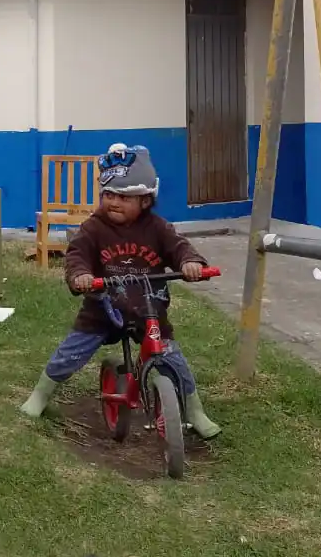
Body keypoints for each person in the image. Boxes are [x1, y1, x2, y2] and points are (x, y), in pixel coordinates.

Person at [20, 143, 222, 440]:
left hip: (148, 310)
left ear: (145, 200)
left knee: (174, 360)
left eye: (125, 196)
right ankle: (40, 395)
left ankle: (194, 411)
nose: (114, 202)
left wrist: (190, 262)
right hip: (102, 308)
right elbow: (78, 254)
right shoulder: (95, 228)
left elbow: (179, 247)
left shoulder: (158, 228)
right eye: (109, 194)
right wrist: (81, 275)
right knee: (70, 352)